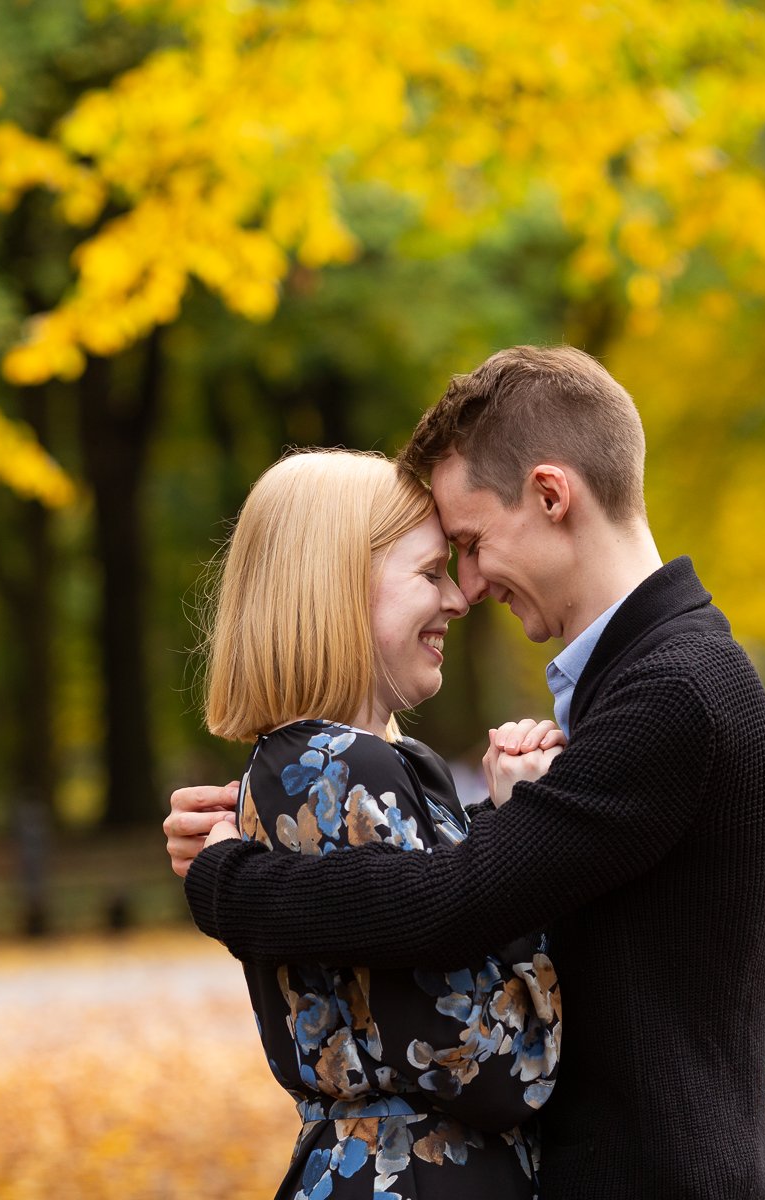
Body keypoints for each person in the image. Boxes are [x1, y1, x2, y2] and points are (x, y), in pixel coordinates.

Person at [167, 346, 765, 1199]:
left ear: (549, 495)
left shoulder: (670, 693)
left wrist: (226, 879)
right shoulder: (644, 680)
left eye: (468, 543)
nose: (466, 586)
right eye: (438, 563)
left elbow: (454, 899)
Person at [200, 448, 565, 1200]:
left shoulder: (310, 767)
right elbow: (492, 1065)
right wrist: (534, 836)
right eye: (430, 573)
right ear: (335, 587)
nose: (460, 599)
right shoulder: (343, 771)